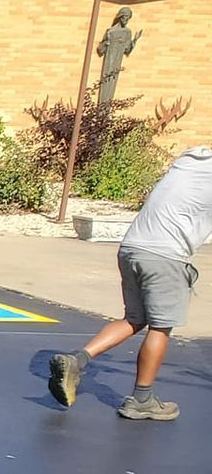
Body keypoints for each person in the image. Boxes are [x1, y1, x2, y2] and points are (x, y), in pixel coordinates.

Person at [46, 145, 212, 420]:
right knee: (160, 327)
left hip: (131, 248)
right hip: (165, 256)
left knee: (134, 318)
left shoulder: (191, 160)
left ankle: (77, 361)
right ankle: (142, 399)